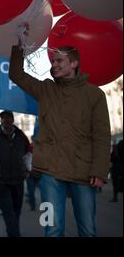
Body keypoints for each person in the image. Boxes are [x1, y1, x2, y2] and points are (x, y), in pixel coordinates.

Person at [9, 32, 111, 237]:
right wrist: (20, 45)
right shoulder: (45, 88)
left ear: (74, 64)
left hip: (83, 171)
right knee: (52, 228)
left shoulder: (95, 94)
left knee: (88, 230)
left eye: (59, 61)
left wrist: (99, 171)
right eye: (53, 61)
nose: (54, 64)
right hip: (49, 173)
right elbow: (16, 75)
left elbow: (102, 135)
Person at [0, 111, 32, 237]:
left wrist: (28, 169)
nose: (5, 120)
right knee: (8, 210)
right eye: (2, 118)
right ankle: (14, 233)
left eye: (8, 118)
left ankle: (13, 231)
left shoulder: (21, 136)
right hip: (1, 180)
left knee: (17, 209)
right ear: (0, 121)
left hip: (18, 179)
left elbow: (27, 153)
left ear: (12, 120)